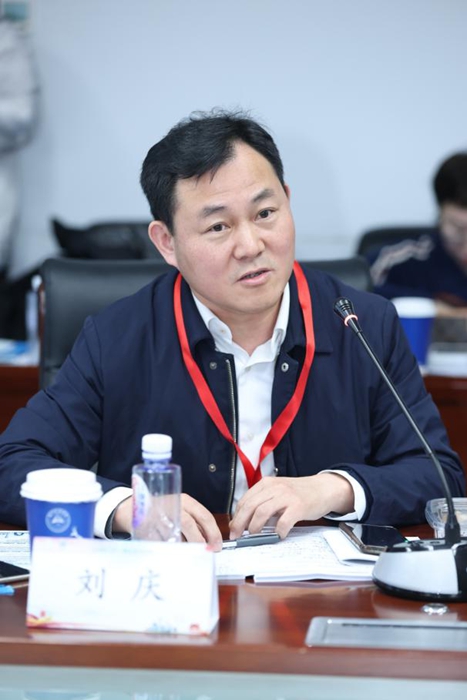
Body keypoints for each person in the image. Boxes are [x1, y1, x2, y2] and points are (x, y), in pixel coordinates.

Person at [0, 110, 464, 549]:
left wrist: (333, 489)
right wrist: (128, 507)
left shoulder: (362, 324)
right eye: (219, 226)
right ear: (167, 242)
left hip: (317, 592)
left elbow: (438, 475)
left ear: (287, 200)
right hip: (174, 584)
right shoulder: (118, 337)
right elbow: (13, 462)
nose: (250, 245)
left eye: (265, 214)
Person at [369, 153, 467, 317]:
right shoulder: (402, 259)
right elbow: (352, 289)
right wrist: (429, 306)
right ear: (440, 210)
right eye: (458, 228)